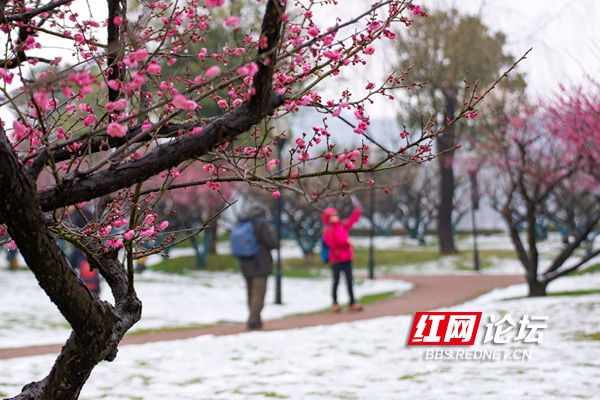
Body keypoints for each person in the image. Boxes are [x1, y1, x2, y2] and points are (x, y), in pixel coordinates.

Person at [234, 204, 278, 330]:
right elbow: (271, 242)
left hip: (245, 262)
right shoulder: (261, 222)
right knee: (259, 293)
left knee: (250, 293)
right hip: (260, 262)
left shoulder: (241, 221)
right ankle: (253, 320)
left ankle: (255, 318)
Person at [322, 199, 363, 313]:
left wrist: (357, 210)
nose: (336, 216)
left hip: (346, 257)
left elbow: (352, 221)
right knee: (336, 281)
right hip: (336, 259)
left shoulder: (341, 226)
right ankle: (335, 303)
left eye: (336, 214)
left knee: (349, 280)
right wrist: (348, 244)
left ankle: (352, 302)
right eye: (333, 215)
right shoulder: (328, 230)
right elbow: (336, 242)